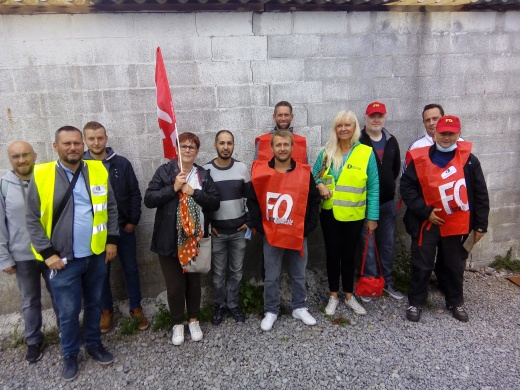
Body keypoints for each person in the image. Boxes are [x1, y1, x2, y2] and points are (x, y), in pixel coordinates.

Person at [26, 126, 119, 381]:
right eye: (67, 143)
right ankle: (69, 354)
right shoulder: (42, 174)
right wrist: (47, 253)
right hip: (62, 261)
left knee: (94, 304)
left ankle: (93, 344)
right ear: (55, 146)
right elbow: (32, 219)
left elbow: (110, 207)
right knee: (67, 312)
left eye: (77, 143)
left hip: (96, 254)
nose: (73, 148)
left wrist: (111, 241)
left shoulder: (98, 170)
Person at [400, 116, 489, 323]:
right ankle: (416, 302)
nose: (446, 137)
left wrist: (481, 224)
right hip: (427, 223)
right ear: (435, 133)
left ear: (458, 134)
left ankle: (455, 301)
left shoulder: (469, 160)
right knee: (422, 265)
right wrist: (425, 211)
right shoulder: (420, 158)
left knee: (454, 265)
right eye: (443, 133)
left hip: (456, 224)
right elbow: (406, 188)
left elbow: (480, 193)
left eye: (451, 133)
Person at [144, 132, 219, 346]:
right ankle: (177, 323)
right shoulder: (165, 171)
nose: (187, 150)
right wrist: (173, 188)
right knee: (175, 286)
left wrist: (195, 192)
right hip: (168, 240)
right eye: (183, 146)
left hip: (194, 239)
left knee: (193, 283)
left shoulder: (202, 174)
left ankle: (193, 319)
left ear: (197, 151)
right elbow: (149, 199)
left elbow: (214, 202)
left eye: (191, 147)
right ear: (177, 149)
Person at [248, 130, 320, 331]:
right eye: (278, 145)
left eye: (285, 145)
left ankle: (299, 306)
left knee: (299, 273)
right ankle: (271, 310)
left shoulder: (304, 173)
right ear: (271, 148)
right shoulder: (261, 172)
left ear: (292, 147)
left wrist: (308, 227)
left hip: (297, 232)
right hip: (272, 233)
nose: (282, 148)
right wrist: (260, 226)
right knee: (271, 276)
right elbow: (253, 201)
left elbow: (314, 200)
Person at [83, 121, 149, 333]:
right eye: (91, 138)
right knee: (101, 273)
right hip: (97, 232)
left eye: (100, 138)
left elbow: (134, 193)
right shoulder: (81, 167)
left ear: (106, 139)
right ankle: (106, 311)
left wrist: (133, 221)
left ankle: (135, 307)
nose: (96, 142)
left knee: (130, 268)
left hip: (123, 228)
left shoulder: (121, 163)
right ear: (85, 140)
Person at [312, 110, 379, 316]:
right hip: (330, 213)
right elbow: (314, 174)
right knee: (332, 254)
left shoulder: (366, 152)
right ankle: (333, 295)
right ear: (335, 129)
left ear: (355, 128)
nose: (343, 129)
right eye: (339, 125)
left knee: (349, 255)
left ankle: (349, 295)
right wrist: (319, 185)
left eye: (347, 125)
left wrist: (373, 217)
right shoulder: (326, 152)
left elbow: (374, 186)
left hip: (354, 214)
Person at [1, 141, 59, 364]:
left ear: (35, 155)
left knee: (59, 295)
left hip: (50, 252)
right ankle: (34, 340)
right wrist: (4, 257)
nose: (21, 160)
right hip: (23, 255)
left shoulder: (46, 179)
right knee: (30, 300)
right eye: (16, 157)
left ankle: (67, 333)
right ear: (10, 160)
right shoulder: (4, 186)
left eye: (26, 155)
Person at [202, 130, 253, 325]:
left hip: (239, 232)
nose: (225, 147)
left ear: (233, 145)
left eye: (229, 143)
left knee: (236, 272)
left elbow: (251, 198)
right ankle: (219, 305)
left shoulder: (241, 168)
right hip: (217, 233)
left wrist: (249, 220)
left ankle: (233, 305)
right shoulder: (206, 171)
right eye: (222, 143)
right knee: (217, 274)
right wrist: (208, 225)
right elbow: (202, 202)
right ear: (215, 145)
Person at [358, 102, 403, 302]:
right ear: (366, 118)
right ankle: (369, 281)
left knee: (387, 245)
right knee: (367, 245)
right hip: (365, 204)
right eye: (372, 116)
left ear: (384, 118)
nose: (376, 120)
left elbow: (394, 171)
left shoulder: (391, 141)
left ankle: (387, 282)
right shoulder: (358, 140)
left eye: (380, 116)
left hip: (386, 203)